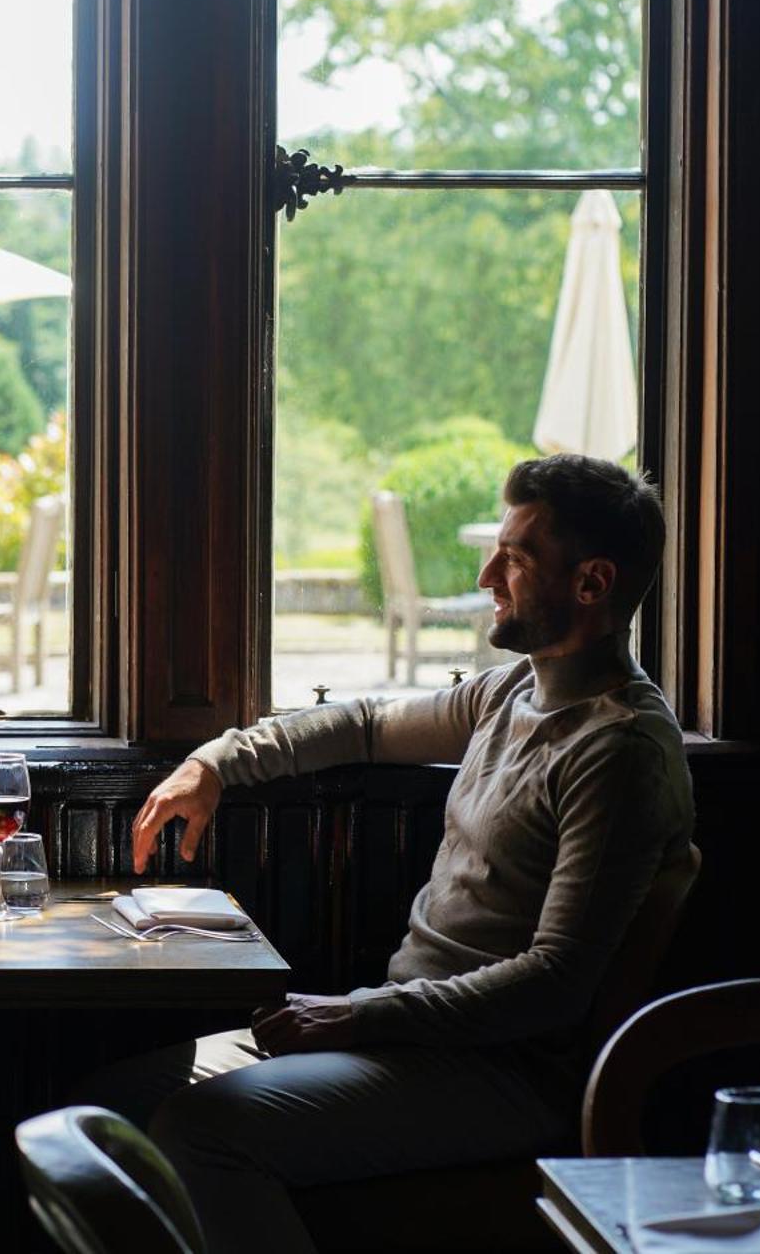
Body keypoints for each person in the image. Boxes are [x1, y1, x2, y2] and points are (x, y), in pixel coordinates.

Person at [79, 455, 695, 1254]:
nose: (486, 574)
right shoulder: (513, 692)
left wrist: (357, 1013)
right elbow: (364, 723)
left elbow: (555, 983)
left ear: (592, 583)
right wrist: (219, 761)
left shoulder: (621, 750)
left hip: (499, 1072)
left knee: (205, 1132)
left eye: (515, 558)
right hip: (407, 1033)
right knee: (106, 1113)